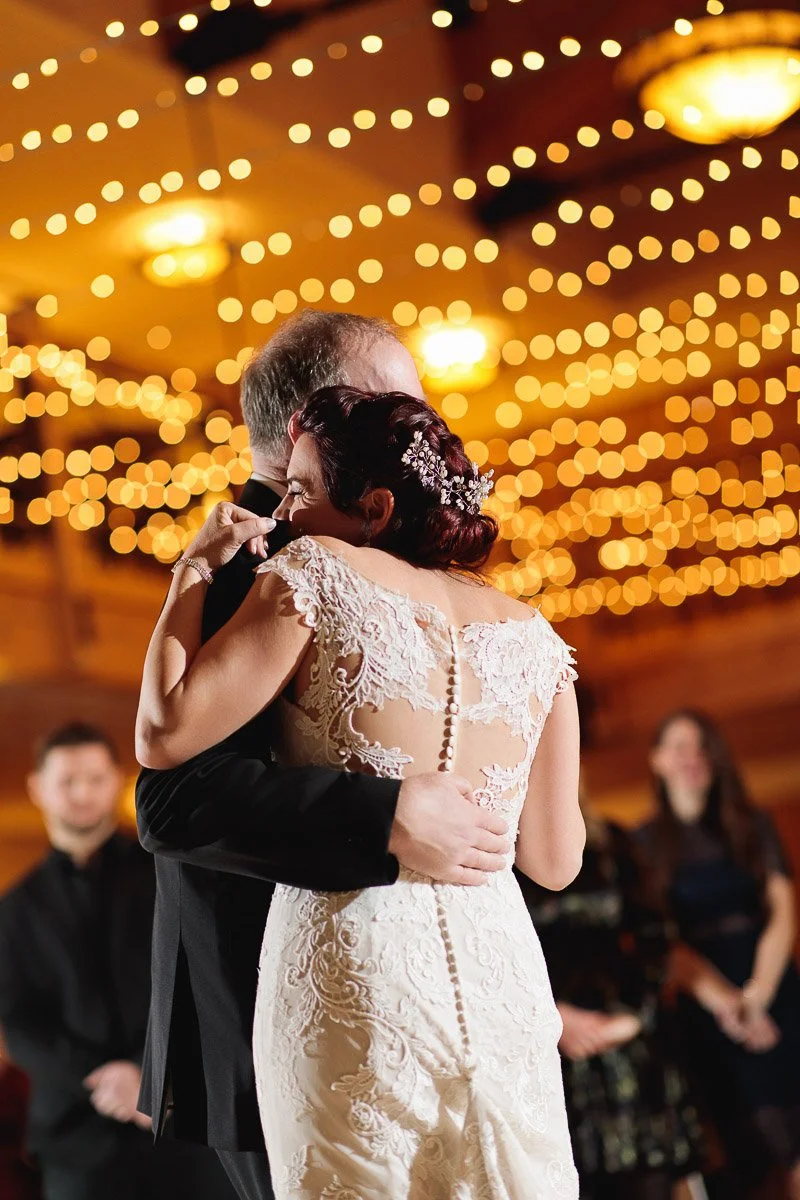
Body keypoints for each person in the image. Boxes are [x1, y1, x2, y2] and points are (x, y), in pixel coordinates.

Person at [136, 383, 586, 1198]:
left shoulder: (314, 574)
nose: (283, 512)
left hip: (354, 965)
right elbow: (555, 861)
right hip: (503, 980)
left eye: (300, 489)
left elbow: (163, 734)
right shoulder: (537, 639)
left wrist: (194, 570)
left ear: (374, 507)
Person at [0, 723, 237, 1200]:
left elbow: (203, 980)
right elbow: (18, 1021)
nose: (82, 793)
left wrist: (144, 1072)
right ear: (38, 788)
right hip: (77, 1136)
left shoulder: (172, 873)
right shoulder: (14, 908)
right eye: (67, 781)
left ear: (116, 780)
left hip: (184, 1120)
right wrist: (107, 1082)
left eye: (94, 777)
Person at [637, 709, 800, 1200]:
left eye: (702, 745)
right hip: (706, 1004)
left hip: (774, 989)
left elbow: (782, 913)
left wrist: (759, 995)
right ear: (658, 761)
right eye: (680, 747)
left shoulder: (752, 824)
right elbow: (662, 942)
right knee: (749, 1150)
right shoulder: (644, 844)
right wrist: (729, 1004)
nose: (693, 757)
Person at [516, 799, 703, 1200]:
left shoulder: (612, 841)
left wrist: (634, 1016)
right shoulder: (498, 851)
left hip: (627, 1055)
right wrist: (551, 1016)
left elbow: (656, 935)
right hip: (546, 1051)